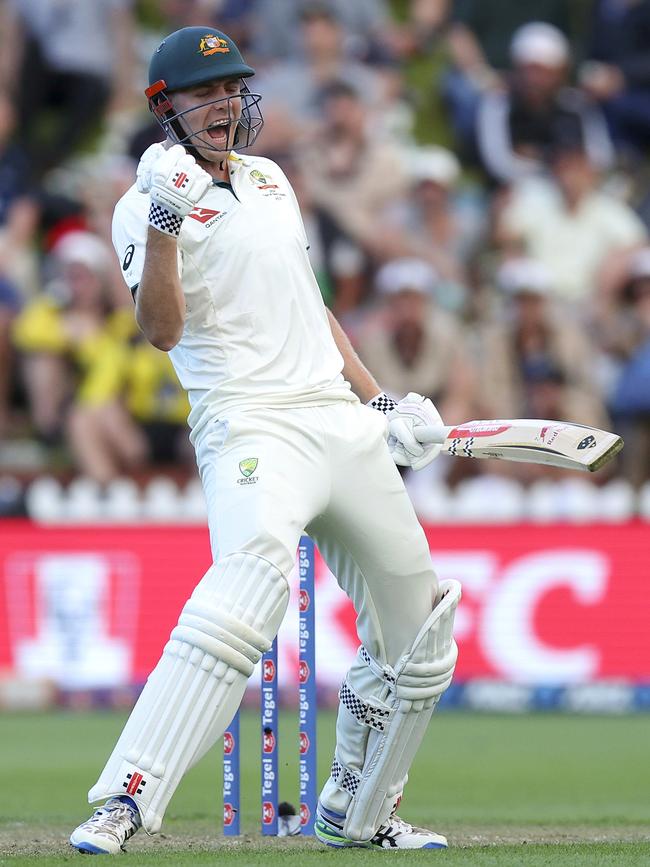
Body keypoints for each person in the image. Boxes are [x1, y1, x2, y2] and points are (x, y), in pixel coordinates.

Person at [69, 26, 460, 854]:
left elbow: (309, 304)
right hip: (250, 422)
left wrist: (382, 400)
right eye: (203, 93)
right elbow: (161, 330)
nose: (223, 105)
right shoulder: (144, 203)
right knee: (248, 591)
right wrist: (171, 224)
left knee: (421, 632)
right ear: (163, 106)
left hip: (337, 419)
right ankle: (125, 798)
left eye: (232, 89)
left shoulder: (271, 179)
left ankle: (359, 812)